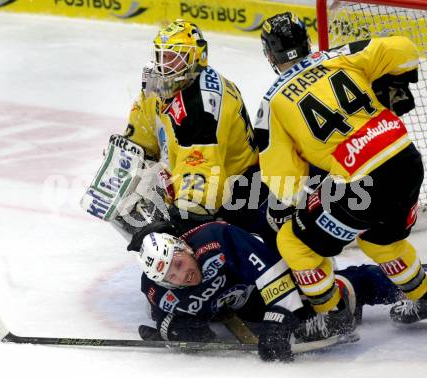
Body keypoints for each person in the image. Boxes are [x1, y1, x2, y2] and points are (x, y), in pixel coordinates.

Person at [254, 12, 427, 327]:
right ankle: (424, 296)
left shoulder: (272, 103)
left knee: (293, 241)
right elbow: (405, 49)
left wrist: (297, 205)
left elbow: (285, 183)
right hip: (407, 162)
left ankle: (331, 316)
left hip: (365, 183)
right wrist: (393, 83)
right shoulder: (340, 57)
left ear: (269, 55)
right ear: (307, 41)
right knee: (379, 241)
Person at [134, 221, 406, 362]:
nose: (183, 276)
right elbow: (165, 318)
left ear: (184, 247)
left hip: (274, 268)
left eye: (179, 264)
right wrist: (172, 331)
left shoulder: (215, 238)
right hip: (247, 302)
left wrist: (279, 318)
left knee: (328, 286)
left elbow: (270, 271)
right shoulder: (159, 292)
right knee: (297, 309)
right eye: (172, 276)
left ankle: (413, 284)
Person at [120, 18, 262, 241]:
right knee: (129, 190)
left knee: (187, 228)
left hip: (238, 189)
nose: (164, 65)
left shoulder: (203, 103)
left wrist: (178, 221)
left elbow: (203, 173)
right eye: (162, 56)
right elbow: (143, 127)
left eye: (173, 58)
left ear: (196, 58)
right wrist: (130, 154)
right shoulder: (158, 81)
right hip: (194, 169)